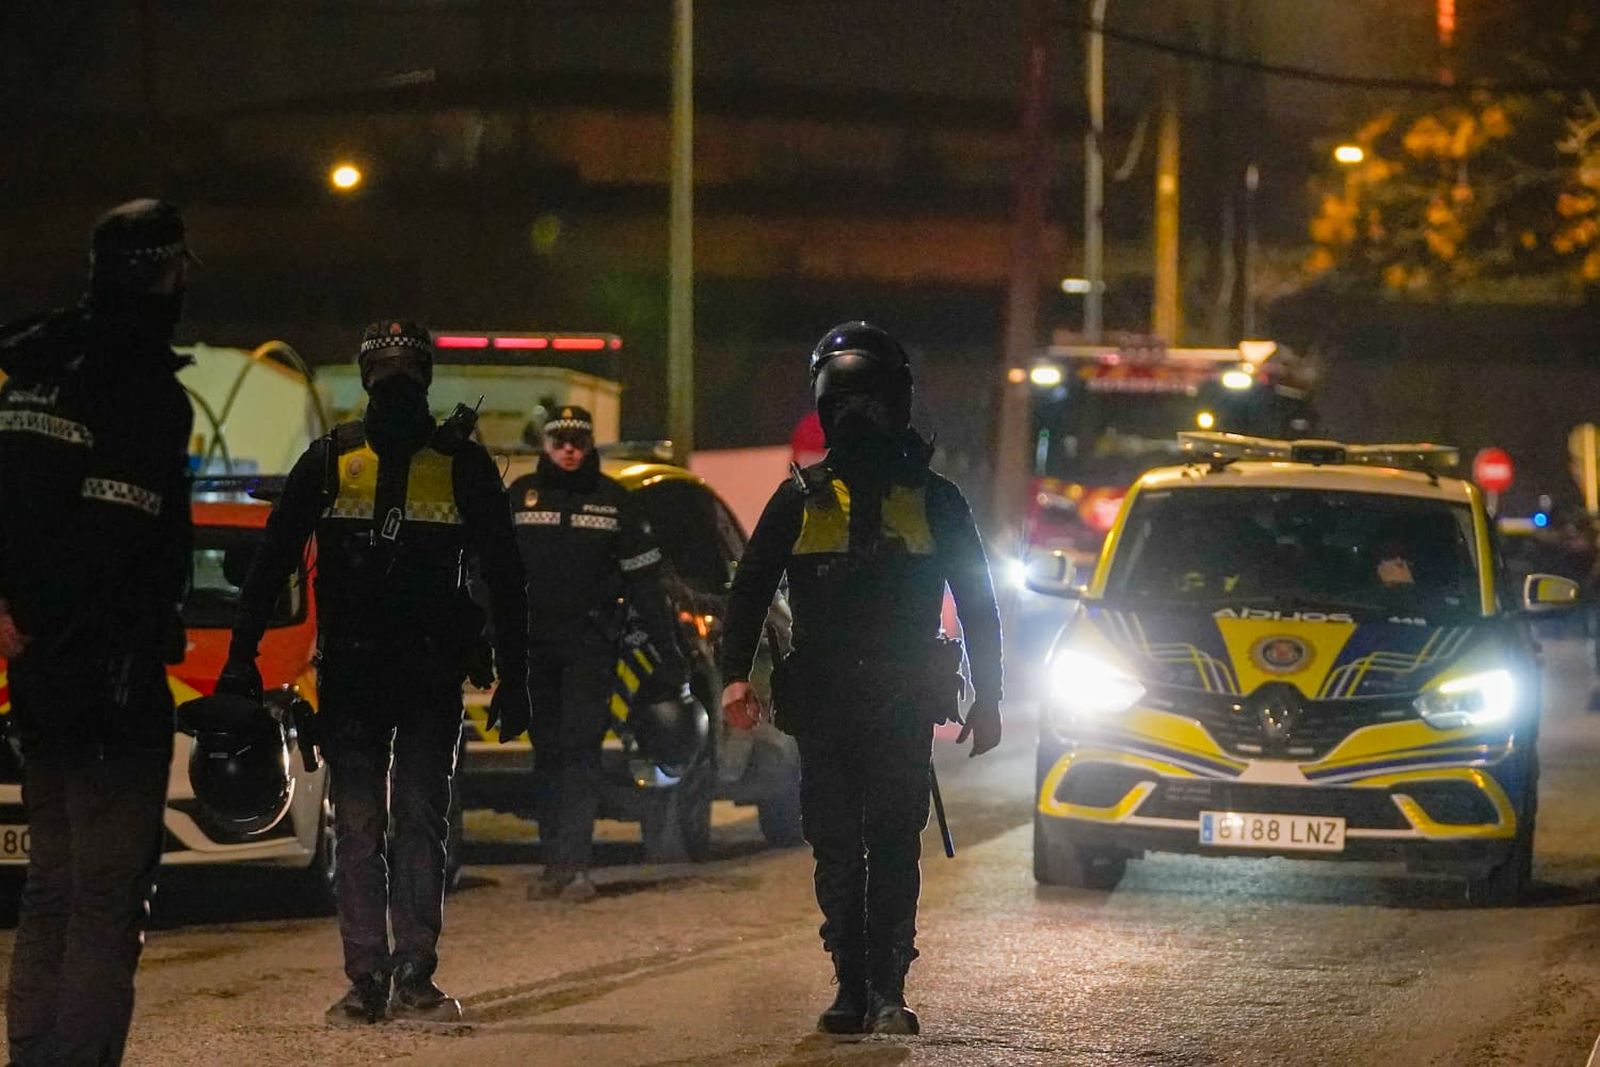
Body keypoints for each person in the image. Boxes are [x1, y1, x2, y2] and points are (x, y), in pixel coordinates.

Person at [216, 320, 530, 1025]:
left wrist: (517, 676)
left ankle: (408, 972)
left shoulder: (456, 464)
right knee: (369, 823)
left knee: (405, 818)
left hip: (418, 677)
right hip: (364, 678)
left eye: (404, 376)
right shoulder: (333, 460)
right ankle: (372, 978)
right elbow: (270, 564)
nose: (396, 390)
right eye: (388, 377)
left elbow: (508, 578)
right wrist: (239, 659)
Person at [718, 322, 1004, 1037]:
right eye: (845, 404)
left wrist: (990, 695)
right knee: (837, 845)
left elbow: (979, 602)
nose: (859, 418)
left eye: (870, 403)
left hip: (901, 700)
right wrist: (733, 678)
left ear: (896, 404)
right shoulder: (800, 500)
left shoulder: (935, 499)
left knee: (894, 841)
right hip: (825, 702)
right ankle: (851, 982)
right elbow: (749, 591)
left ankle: (887, 988)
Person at [0, 199, 197, 1067]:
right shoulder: (141, 386)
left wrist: (10, 612)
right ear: (164, 273)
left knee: (51, 883)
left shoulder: (33, 364)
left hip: (34, 670)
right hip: (108, 671)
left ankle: (32, 1053)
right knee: (105, 893)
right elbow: (117, 540)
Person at [507, 405, 687, 902]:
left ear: (590, 446)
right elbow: (490, 572)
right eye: (560, 441)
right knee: (546, 751)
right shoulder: (520, 497)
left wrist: (667, 648)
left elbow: (645, 583)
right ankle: (554, 863)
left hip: (589, 646)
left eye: (579, 442)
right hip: (533, 647)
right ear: (546, 445)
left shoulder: (614, 501)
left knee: (580, 748)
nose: (569, 450)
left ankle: (575, 864)